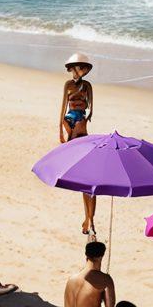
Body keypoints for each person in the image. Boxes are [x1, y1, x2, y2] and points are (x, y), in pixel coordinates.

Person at [59, 53, 96, 236]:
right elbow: (63, 106)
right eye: (77, 68)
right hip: (71, 126)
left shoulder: (87, 85)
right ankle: (88, 219)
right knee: (86, 183)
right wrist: (60, 128)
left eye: (82, 68)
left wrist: (84, 120)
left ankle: (90, 219)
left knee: (89, 183)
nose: (79, 71)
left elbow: (91, 109)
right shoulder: (67, 85)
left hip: (80, 126)